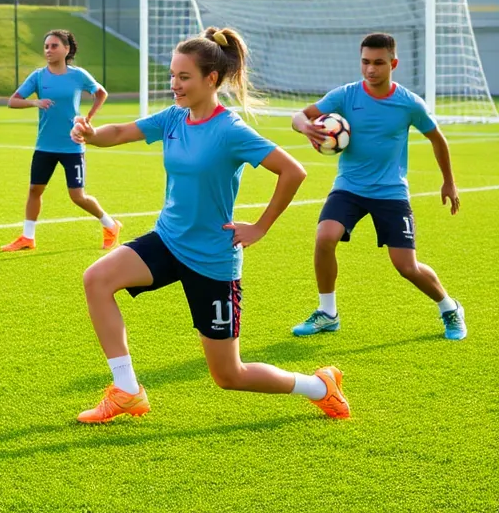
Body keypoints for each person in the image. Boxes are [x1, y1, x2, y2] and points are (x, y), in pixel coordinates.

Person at [70, 27, 349, 423]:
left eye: (184, 77)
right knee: (97, 279)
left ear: (211, 79)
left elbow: (292, 171)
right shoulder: (172, 118)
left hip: (211, 260)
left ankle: (320, 386)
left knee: (228, 375)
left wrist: (261, 226)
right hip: (168, 240)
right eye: (172, 75)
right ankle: (127, 390)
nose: (174, 84)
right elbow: (120, 132)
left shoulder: (230, 130)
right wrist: (91, 135)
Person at [290, 32, 466, 340]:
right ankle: (328, 313)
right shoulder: (346, 95)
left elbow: (437, 139)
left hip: (390, 192)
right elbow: (301, 115)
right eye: (365, 62)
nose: (371, 69)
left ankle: (450, 308)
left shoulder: (409, 103)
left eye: (379, 63)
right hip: (349, 187)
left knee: (406, 266)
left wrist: (449, 182)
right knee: (324, 237)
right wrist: (304, 125)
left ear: (393, 63)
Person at [1, 29, 121, 252]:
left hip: (72, 146)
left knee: (78, 196)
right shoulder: (38, 76)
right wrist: (34, 103)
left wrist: (88, 118)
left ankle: (110, 224)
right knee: (35, 190)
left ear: (66, 49)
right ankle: (28, 237)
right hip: (44, 145)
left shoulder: (78, 76)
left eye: (54, 46)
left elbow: (101, 93)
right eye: (46, 46)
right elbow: (13, 101)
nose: (49, 50)